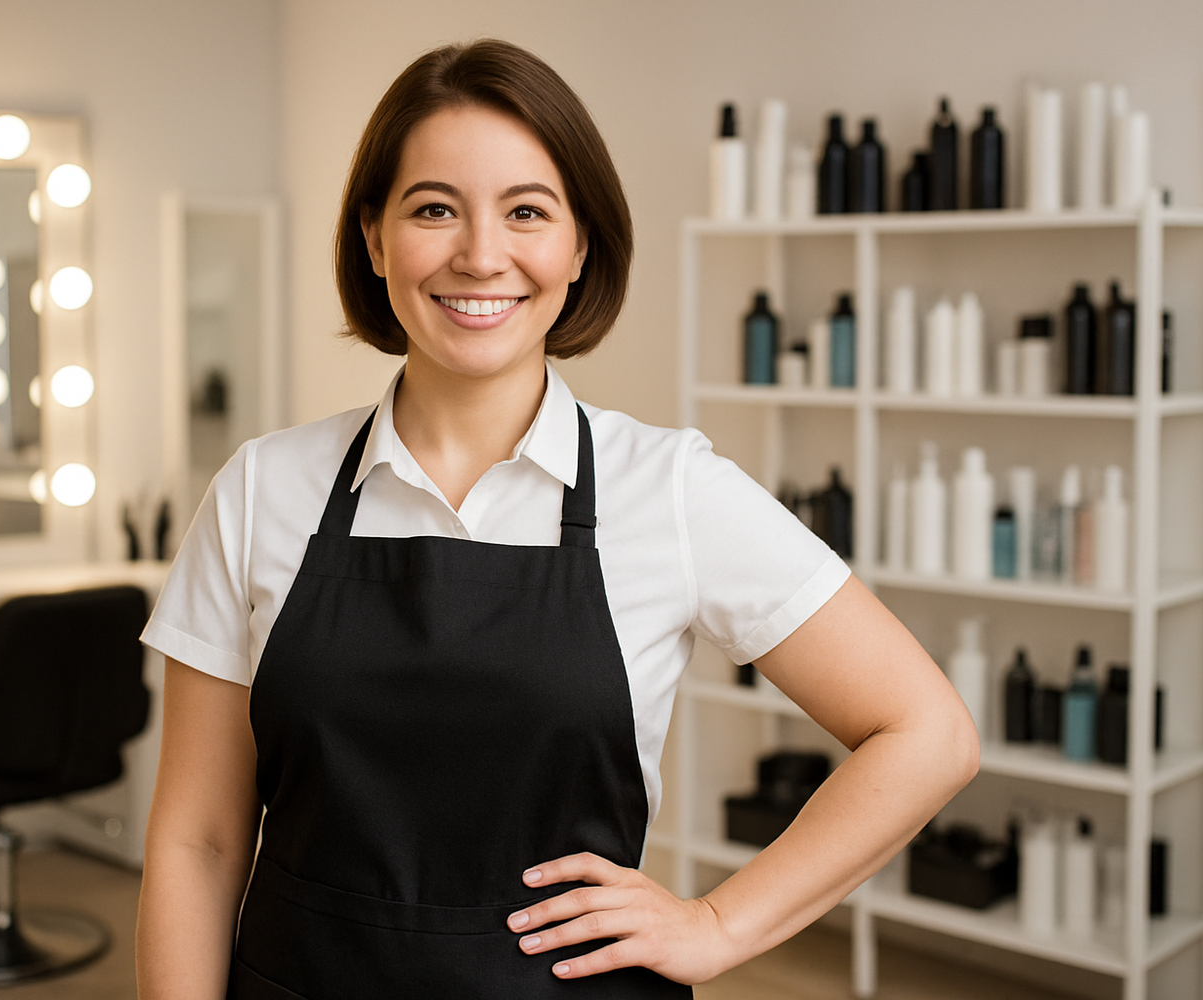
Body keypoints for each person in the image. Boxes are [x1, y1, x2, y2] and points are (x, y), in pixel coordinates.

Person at [136, 38, 978, 999]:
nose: (480, 255)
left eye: (527, 212)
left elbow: (928, 733)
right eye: (434, 209)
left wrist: (717, 924)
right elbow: (198, 841)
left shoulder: (670, 490)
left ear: (580, 245)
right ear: (373, 238)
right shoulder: (259, 490)